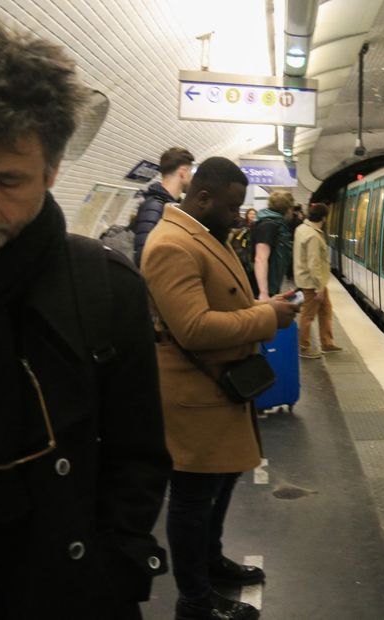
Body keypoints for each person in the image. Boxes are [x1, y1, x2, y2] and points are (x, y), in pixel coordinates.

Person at [0, 23, 171, 619]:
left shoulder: (103, 285)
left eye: (5, 181)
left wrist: (113, 568)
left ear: (53, 169)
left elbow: (139, 452)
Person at [141, 157, 300, 620]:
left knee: (223, 482)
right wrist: (267, 317)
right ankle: (194, 601)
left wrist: (260, 304)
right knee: (192, 499)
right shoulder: (171, 244)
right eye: (231, 208)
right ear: (203, 197)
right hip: (194, 394)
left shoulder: (205, 235)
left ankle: (211, 562)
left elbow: (221, 299)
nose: (238, 217)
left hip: (221, 389)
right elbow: (192, 327)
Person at [294, 202, 342, 358]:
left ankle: (327, 343)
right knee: (308, 315)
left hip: (312, 280)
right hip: (313, 283)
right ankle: (303, 347)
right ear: (324, 218)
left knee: (326, 310)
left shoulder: (301, 229)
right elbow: (313, 263)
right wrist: (319, 288)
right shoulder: (313, 236)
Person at [133, 146, 194, 267]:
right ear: (182, 172)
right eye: (190, 172)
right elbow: (144, 254)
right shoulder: (155, 206)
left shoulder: (170, 205)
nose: (192, 178)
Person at [251, 190, 295, 300]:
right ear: (288, 208)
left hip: (270, 285)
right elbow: (260, 259)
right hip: (260, 289)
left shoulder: (277, 224)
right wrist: (263, 293)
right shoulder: (268, 225)